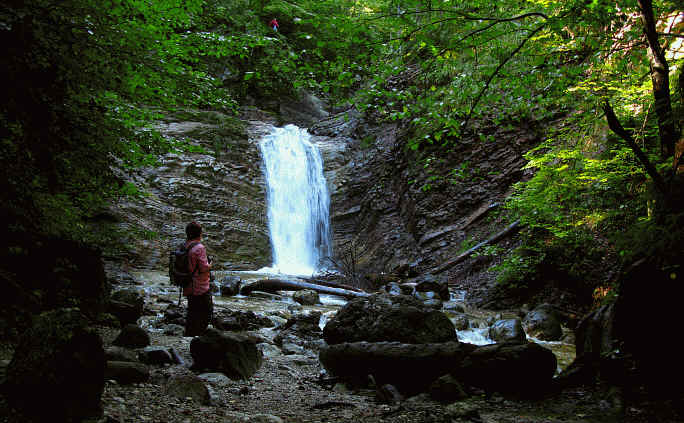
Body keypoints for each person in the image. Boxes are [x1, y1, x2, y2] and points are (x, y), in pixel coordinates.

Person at [183, 221, 213, 337]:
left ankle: (189, 334)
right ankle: (200, 336)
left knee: (192, 311)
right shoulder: (199, 247)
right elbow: (204, 268)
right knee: (206, 312)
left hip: (187, 284)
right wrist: (210, 264)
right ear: (199, 233)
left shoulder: (185, 245)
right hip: (199, 286)